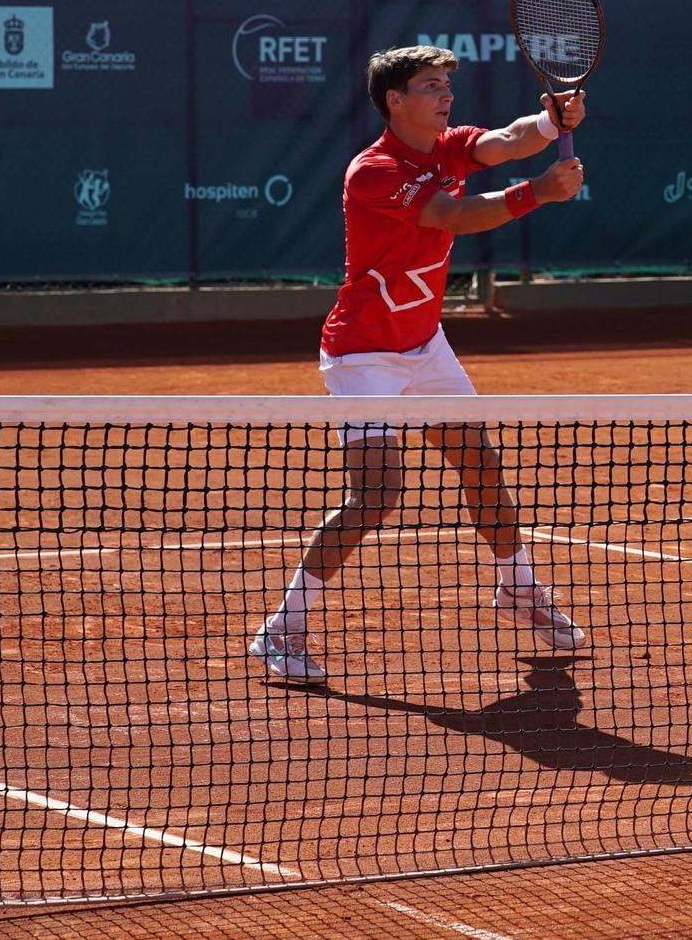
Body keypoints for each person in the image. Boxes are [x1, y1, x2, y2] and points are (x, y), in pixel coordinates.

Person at [248, 45, 588, 684]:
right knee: (376, 495)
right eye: (431, 87)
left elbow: (505, 140)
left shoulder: (448, 145)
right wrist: (540, 192)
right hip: (363, 355)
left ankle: (517, 589)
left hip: (425, 344)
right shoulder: (372, 172)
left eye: (447, 87)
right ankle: (282, 628)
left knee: (479, 465)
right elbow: (451, 215)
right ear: (394, 100)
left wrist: (550, 124)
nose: (446, 97)